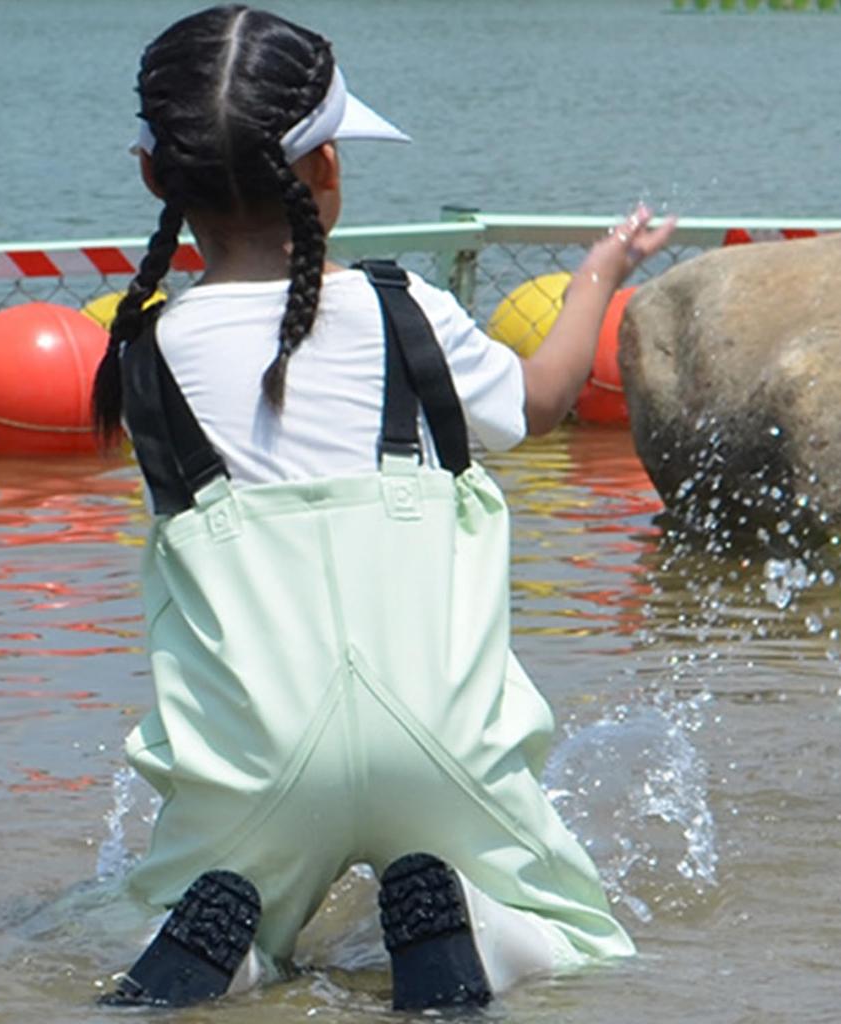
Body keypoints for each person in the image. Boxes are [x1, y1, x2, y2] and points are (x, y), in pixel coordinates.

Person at [92, 3, 676, 1012]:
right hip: (440, 744)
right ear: (326, 166)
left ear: (154, 175)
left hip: (256, 760)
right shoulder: (409, 311)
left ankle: (236, 959)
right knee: (579, 932)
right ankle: (486, 936)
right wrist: (601, 270)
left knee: (141, 912)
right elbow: (541, 401)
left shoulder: (146, 357)